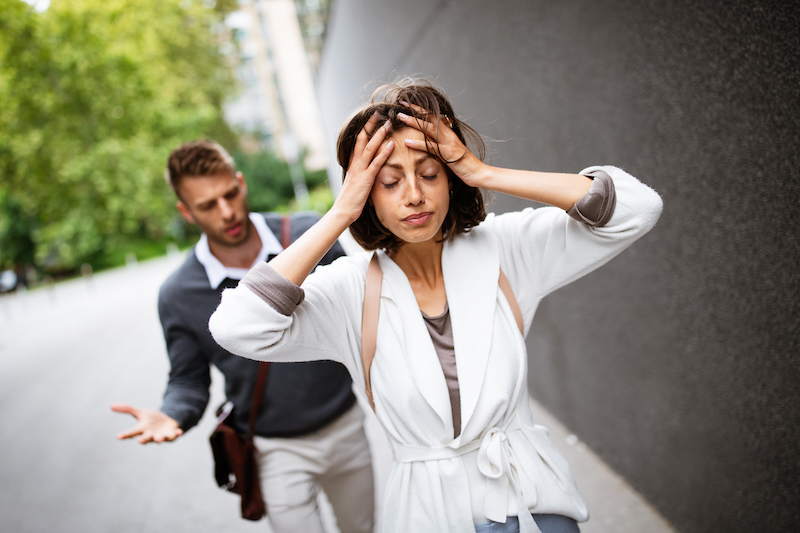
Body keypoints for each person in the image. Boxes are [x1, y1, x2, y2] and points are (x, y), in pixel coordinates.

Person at [208, 80, 664, 533]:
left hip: (532, 504)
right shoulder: (350, 291)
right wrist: (340, 212)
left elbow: (637, 208)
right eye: (389, 182)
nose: (413, 195)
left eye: (429, 173)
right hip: (431, 514)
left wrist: (483, 172)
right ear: (366, 193)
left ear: (451, 177)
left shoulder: (504, 249)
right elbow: (237, 327)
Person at [111, 140, 375, 533]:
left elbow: (363, 312)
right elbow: (188, 379)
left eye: (230, 194)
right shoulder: (179, 293)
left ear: (241, 182)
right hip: (274, 449)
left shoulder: (306, 235)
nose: (227, 211)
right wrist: (173, 414)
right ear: (185, 212)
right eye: (207, 205)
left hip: (346, 426)